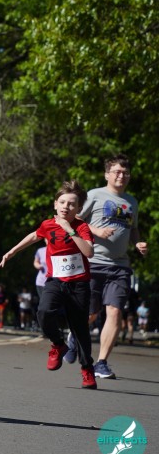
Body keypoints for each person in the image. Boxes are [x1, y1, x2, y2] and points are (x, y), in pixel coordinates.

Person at [0, 180, 97, 389]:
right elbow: (35, 235)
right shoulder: (47, 224)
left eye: (72, 204)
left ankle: (87, 369)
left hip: (79, 284)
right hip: (55, 281)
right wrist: (12, 252)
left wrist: (69, 229)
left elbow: (89, 252)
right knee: (43, 312)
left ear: (79, 209)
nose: (66, 207)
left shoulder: (82, 227)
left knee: (79, 329)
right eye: (62, 202)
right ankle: (58, 344)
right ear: (55, 204)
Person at [78, 154, 148, 379]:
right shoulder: (94, 195)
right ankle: (74, 335)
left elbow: (133, 228)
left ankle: (101, 363)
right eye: (117, 172)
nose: (121, 176)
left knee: (115, 311)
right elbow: (76, 221)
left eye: (125, 173)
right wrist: (96, 231)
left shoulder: (132, 201)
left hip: (120, 265)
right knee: (91, 313)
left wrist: (137, 242)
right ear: (107, 174)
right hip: (93, 262)